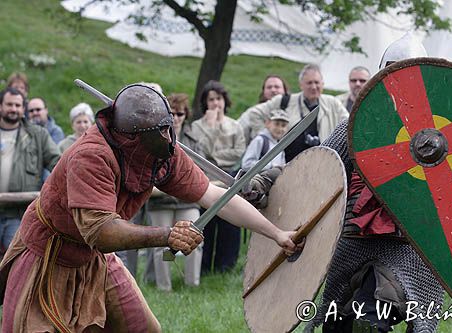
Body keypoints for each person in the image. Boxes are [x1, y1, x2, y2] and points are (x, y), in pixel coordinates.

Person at [0, 83, 298, 332]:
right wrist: (167, 235)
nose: (169, 139)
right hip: (47, 256)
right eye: (161, 134)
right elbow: (101, 232)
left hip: (94, 260)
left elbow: (213, 197)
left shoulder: (164, 154)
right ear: (132, 138)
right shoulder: (91, 156)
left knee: (143, 329)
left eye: (169, 130)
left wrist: (276, 234)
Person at [248, 33, 444, 333]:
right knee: (336, 323)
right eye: (393, 72)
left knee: (373, 314)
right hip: (353, 237)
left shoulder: (442, 131)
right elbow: (317, 168)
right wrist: (263, 180)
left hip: (410, 243)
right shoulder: (358, 124)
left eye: (409, 74)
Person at [148, 92, 205, 291]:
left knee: (195, 238)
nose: (176, 118)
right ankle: (165, 287)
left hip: (187, 201)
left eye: (180, 114)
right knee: (161, 245)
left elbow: (201, 172)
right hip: (160, 203)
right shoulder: (154, 138)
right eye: (171, 113)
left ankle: (192, 284)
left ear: (185, 115)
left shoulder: (193, 140)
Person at [191, 80, 247, 274]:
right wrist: (212, 127)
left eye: (219, 98)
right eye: (211, 99)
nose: (216, 103)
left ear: (225, 100)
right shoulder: (197, 127)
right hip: (206, 177)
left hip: (228, 175)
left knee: (230, 220)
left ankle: (226, 265)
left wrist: (214, 157)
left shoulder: (235, 125)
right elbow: (199, 152)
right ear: (205, 103)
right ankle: (205, 265)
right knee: (208, 220)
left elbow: (238, 151)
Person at [244, 64, 349, 162]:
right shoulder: (284, 101)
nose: (313, 87)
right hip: (286, 163)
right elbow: (255, 114)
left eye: (317, 82)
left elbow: (348, 125)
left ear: (323, 84)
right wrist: (268, 138)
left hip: (321, 162)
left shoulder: (333, 103)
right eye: (309, 83)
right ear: (301, 85)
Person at [0, 87, 60, 251]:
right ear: (1, 106)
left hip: (20, 214)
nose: (13, 109)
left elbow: (58, 164)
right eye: (9, 104)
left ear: (23, 109)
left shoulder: (38, 135)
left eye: (18, 105)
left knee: (16, 264)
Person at [238, 74, 289, 144]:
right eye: (269, 87)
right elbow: (239, 133)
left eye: (277, 87)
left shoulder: (291, 111)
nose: (273, 90)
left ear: (284, 90)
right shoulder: (253, 112)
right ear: (263, 91)